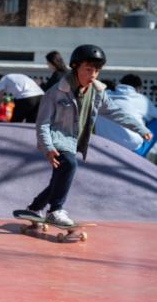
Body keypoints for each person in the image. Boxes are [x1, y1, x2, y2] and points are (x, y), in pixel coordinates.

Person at [14, 45, 151, 227]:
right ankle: (55, 211)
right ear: (75, 66)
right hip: (56, 139)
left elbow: (116, 112)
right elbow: (43, 123)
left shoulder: (97, 92)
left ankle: (34, 207)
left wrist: (140, 128)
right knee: (69, 164)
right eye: (88, 69)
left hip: (74, 141)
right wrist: (48, 147)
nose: (93, 74)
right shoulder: (56, 92)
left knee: (60, 178)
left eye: (96, 70)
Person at [94, 74, 157, 156]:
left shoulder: (106, 95)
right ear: (138, 88)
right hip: (133, 149)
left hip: (104, 146)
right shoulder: (141, 99)